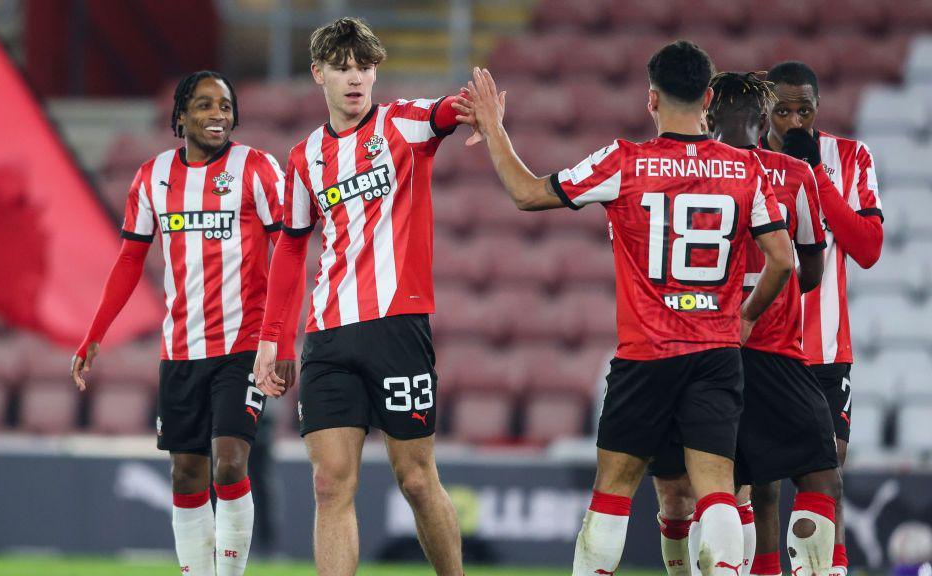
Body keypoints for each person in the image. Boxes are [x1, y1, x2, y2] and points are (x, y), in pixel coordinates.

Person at [457, 40, 794, 576]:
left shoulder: (624, 161)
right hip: (714, 353)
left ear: (651, 99)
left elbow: (527, 194)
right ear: (708, 98)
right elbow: (782, 261)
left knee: (613, 493)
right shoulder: (747, 171)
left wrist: (494, 126)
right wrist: (745, 317)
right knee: (717, 490)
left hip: (646, 356)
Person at [251, 17, 484, 576]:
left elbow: (445, 112)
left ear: (376, 72)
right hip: (328, 335)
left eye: (364, 67)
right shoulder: (305, 156)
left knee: (416, 479)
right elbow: (289, 251)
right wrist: (272, 339)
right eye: (342, 68)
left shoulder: (401, 124)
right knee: (329, 483)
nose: (355, 79)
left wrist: (473, 106)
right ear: (319, 75)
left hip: (397, 329)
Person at [70, 70, 300, 576]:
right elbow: (130, 260)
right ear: (180, 116)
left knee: (231, 463)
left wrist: (280, 337)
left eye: (225, 105)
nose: (217, 115)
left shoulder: (256, 169)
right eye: (204, 105)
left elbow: (291, 248)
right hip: (180, 351)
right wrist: (95, 334)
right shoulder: (151, 177)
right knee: (185, 472)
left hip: (243, 346)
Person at [648, 72, 842, 576]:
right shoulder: (792, 174)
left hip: (697, 353)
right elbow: (811, 271)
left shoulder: (682, 174)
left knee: (720, 492)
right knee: (820, 480)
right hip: (774, 352)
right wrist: (761, 309)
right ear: (765, 120)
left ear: (708, 116)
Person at [756, 61, 885, 576]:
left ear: (818, 108)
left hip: (825, 352)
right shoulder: (742, 161)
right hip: (761, 347)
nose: (792, 121)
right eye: (782, 110)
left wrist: (816, 177)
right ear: (766, 110)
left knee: (826, 479)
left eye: (803, 109)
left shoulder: (850, 157)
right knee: (760, 488)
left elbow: (868, 248)